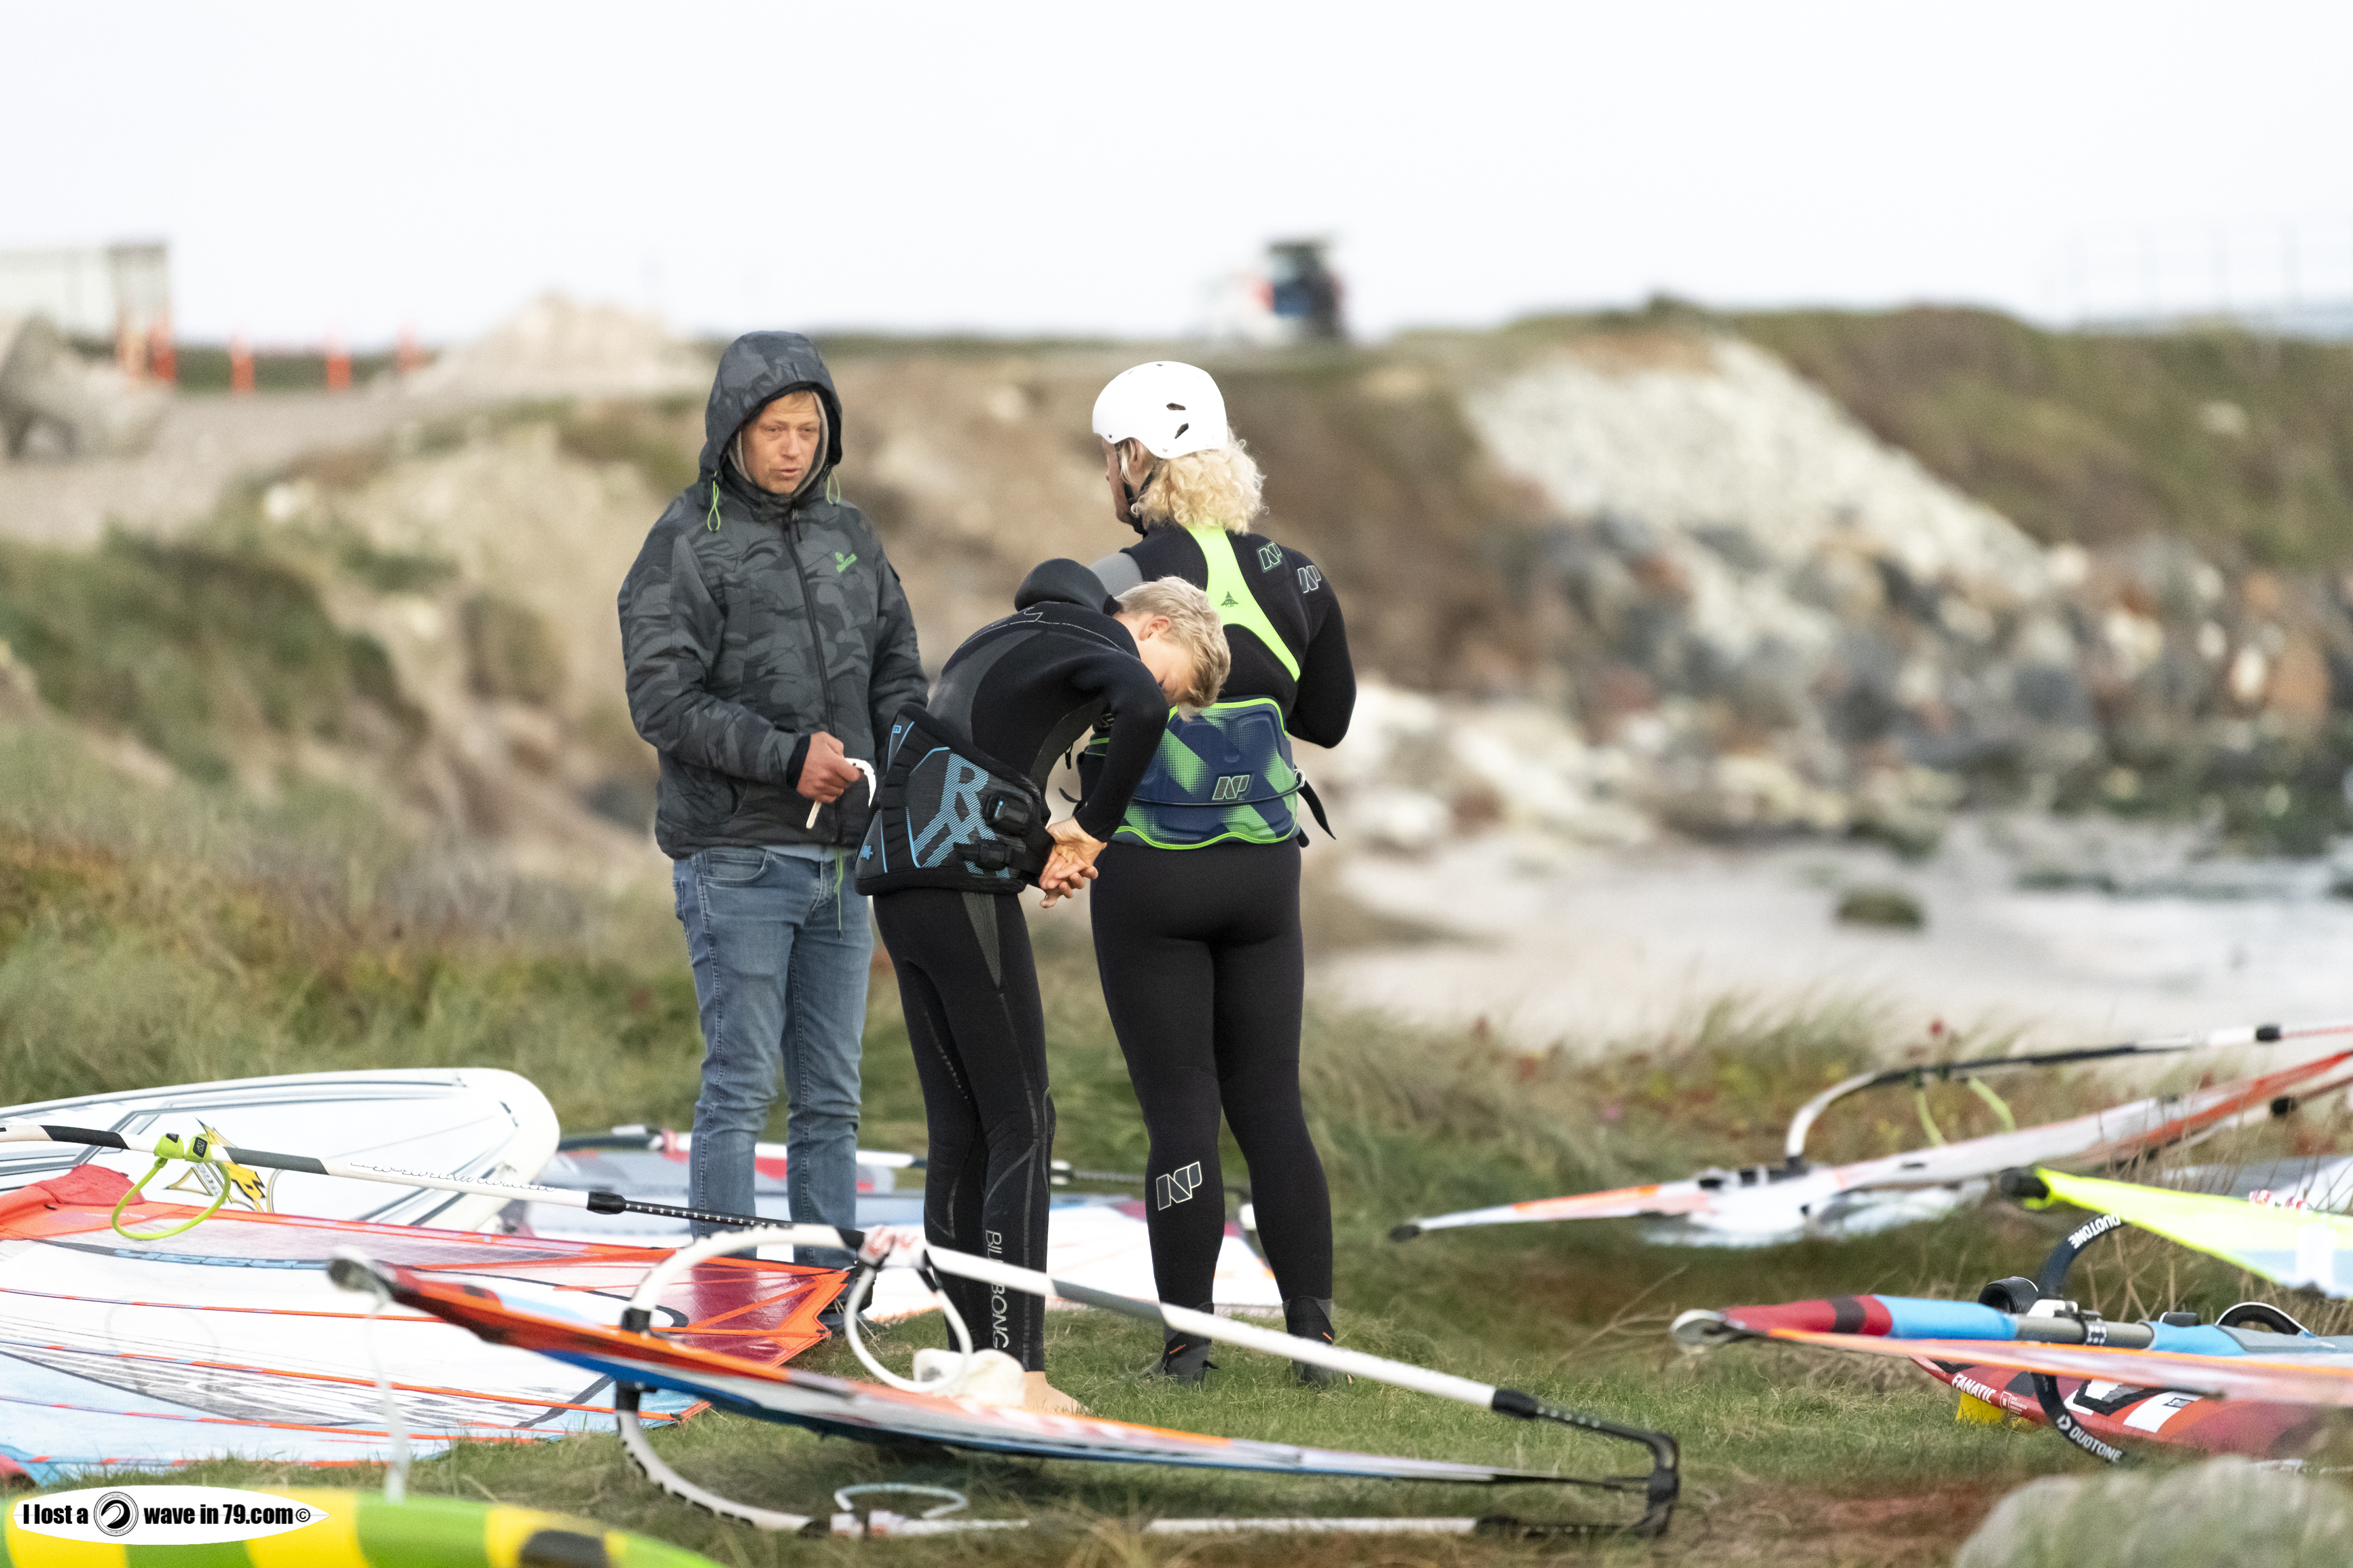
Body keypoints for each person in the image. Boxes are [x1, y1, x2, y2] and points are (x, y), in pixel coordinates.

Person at [856, 559, 1227, 1412]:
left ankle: (965, 1358)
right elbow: (1138, 708)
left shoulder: (1017, 634)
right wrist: (1092, 830)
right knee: (1023, 1120)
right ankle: (1020, 1371)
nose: (1150, 703)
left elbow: (968, 761)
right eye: (1171, 683)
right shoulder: (1101, 642)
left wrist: (1043, 855)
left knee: (961, 1130)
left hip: (901, 882)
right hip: (956, 887)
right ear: (1153, 628)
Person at [619, 331, 926, 1299]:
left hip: (843, 865)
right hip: (736, 857)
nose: (794, 447)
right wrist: (790, 759)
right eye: (774, 429)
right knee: (741, 1090)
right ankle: (722, 1298)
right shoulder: (684, 541)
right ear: (733, 432)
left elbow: (899, 671)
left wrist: (897, 772)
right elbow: (661, 701)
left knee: (831, 1099)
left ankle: (826, 1302)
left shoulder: (852, 536)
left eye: (808, 429)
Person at [1072, 361, 1357, 1383]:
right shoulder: (1299, 575)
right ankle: (1312, 1340)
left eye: (1111, 456)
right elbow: (1328, 720)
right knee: (1270, 1102)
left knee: (1182, 1108)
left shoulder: (1108, 584)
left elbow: (1056, 700)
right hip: (1261, 875)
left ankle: (1189, 1348)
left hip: (1149, 874)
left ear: (1135, 459)